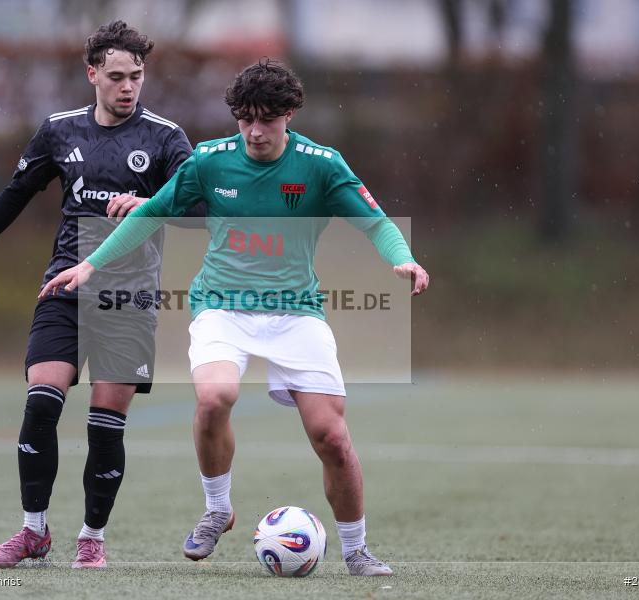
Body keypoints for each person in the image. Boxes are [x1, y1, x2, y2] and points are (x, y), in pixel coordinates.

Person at [39, 59, 430, 576]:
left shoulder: (321, 164)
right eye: (244, 119)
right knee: (215, 395)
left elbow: (376, 223)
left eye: (266, 119)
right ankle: (217, 508)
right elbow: (150, 213)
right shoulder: (209, 161)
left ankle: (357, 550)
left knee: (331, 437)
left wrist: (400, 256)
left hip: (296, 313)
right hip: (221, 306)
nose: (253, 131)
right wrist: (89, 265)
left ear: (289, 115)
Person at [0, 20, 201, 569]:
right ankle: (33, 531)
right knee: (41, 402)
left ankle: (92, 538)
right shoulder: (59, 131)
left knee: (105, 422)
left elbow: (199, 208)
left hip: (129, 296)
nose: (129, 86)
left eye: (137, 76)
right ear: (92, 75)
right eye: (117, 76)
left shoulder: (166, 138)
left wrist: (149, 205)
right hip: (65, 283)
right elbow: (14, 196)